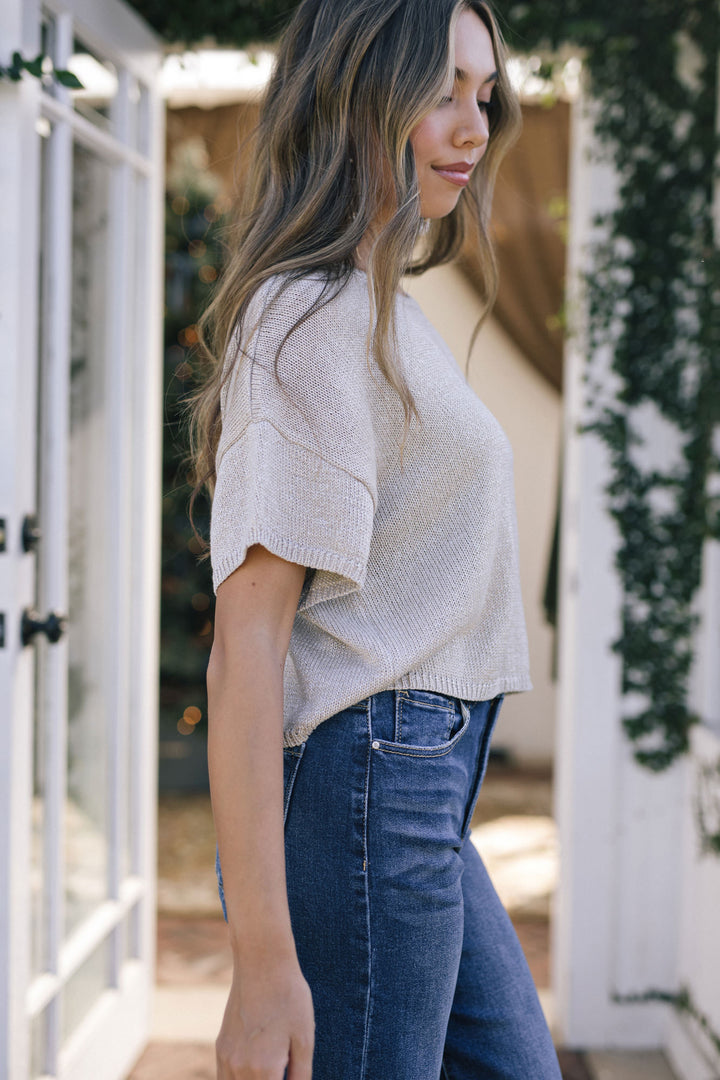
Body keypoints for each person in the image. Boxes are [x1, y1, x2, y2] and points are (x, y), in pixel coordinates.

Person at [185, 1, 564, 1077]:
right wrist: (263, 964)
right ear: (359, 88)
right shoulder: (306, 316)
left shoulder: (379, 303)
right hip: (371, 777)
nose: (474, 126)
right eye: (441, 90)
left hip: (418, 784)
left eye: (484, 96)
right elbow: (246, 644)